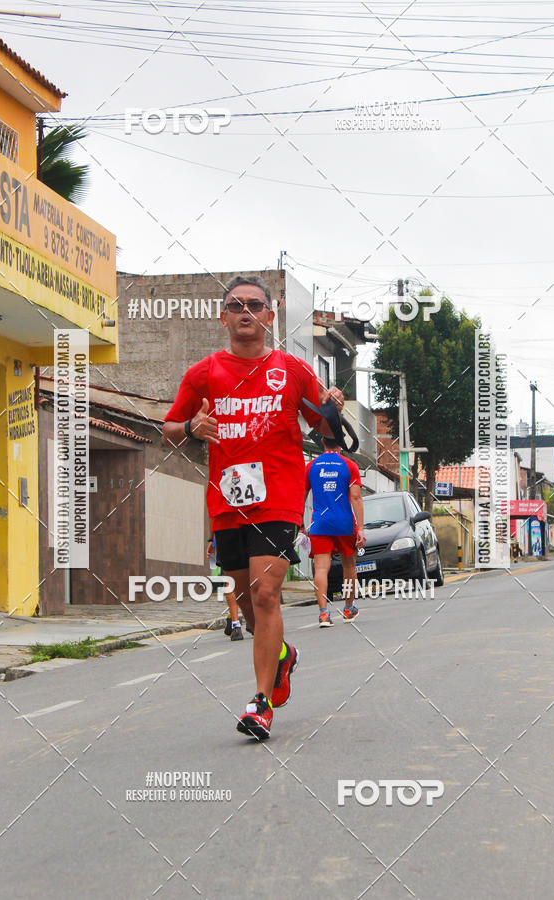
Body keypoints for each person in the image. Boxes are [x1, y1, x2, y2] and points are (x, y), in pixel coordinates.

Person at [162, 275, 343, 739]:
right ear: (223, 317)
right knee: (244, 604)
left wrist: (332, 410)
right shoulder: (204, 373)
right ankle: (281, 655)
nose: (246, 312)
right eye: (236, 305)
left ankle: (260, 703)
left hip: (279, 496)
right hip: (227, 500)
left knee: (266, 594)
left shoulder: (294, 370)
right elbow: (169, 426)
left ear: (269, 316)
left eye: (255, 305)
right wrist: (193, 428)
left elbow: (325, 433)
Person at [303, 437, 365, 626]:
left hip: (320, 524)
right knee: (349, 566)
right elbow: (356, 497)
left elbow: (301, 495)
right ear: (340, 443)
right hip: (344, 524)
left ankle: (323, 613)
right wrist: (361, 528)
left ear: (322, 441)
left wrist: (299, 524)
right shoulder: (350, 465)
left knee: (321, 568)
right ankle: (348, 608)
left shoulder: (311, 466)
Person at [207, 536, 243, 640]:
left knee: (230, 579)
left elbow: (214, 520)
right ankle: (242, 619)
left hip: (227, 534)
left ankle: (235, 624)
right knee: (248, 578)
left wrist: (212, 541)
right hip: (250, 535)